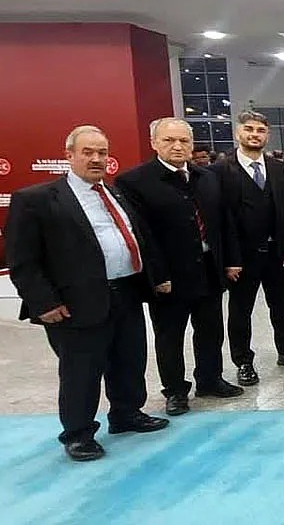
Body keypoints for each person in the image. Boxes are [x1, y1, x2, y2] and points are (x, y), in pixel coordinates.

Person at [5, 125, 170, 461]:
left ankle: (126, 413)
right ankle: (78, 433)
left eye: (102, 153)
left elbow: (135, 237)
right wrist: (43, 302)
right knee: (81, 370)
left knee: (129, 359)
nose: (97, 159)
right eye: (88, 152)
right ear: (69, 155)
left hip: (126, 291)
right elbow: (22, 259)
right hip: (75, 302)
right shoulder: (37, 199)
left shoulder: (115, 193)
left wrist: (155, 277)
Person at [116, 118, 242, 417]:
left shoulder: (207, 177)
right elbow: (142, 235)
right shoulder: (134, 182)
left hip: (209, 268)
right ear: (154, 143)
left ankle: (209, 379)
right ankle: (174, 390)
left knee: (210, 329)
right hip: (169, 275)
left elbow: (224, 221)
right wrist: (157, 276)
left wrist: (231, 260)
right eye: (169, 140)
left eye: (184, 141)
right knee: (170, 336)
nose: (177, 146)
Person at [215, 111, 284, 386]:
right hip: (241, 258)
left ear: (267, 135)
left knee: (282, 306)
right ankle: (243, 361)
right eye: (249, 129)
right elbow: (220, 219)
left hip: (278, 253)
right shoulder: (220, 170)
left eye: (260, 130)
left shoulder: (280, 169)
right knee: (240, 311)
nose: (255, 135)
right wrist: (230, 258)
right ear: (238, 133)